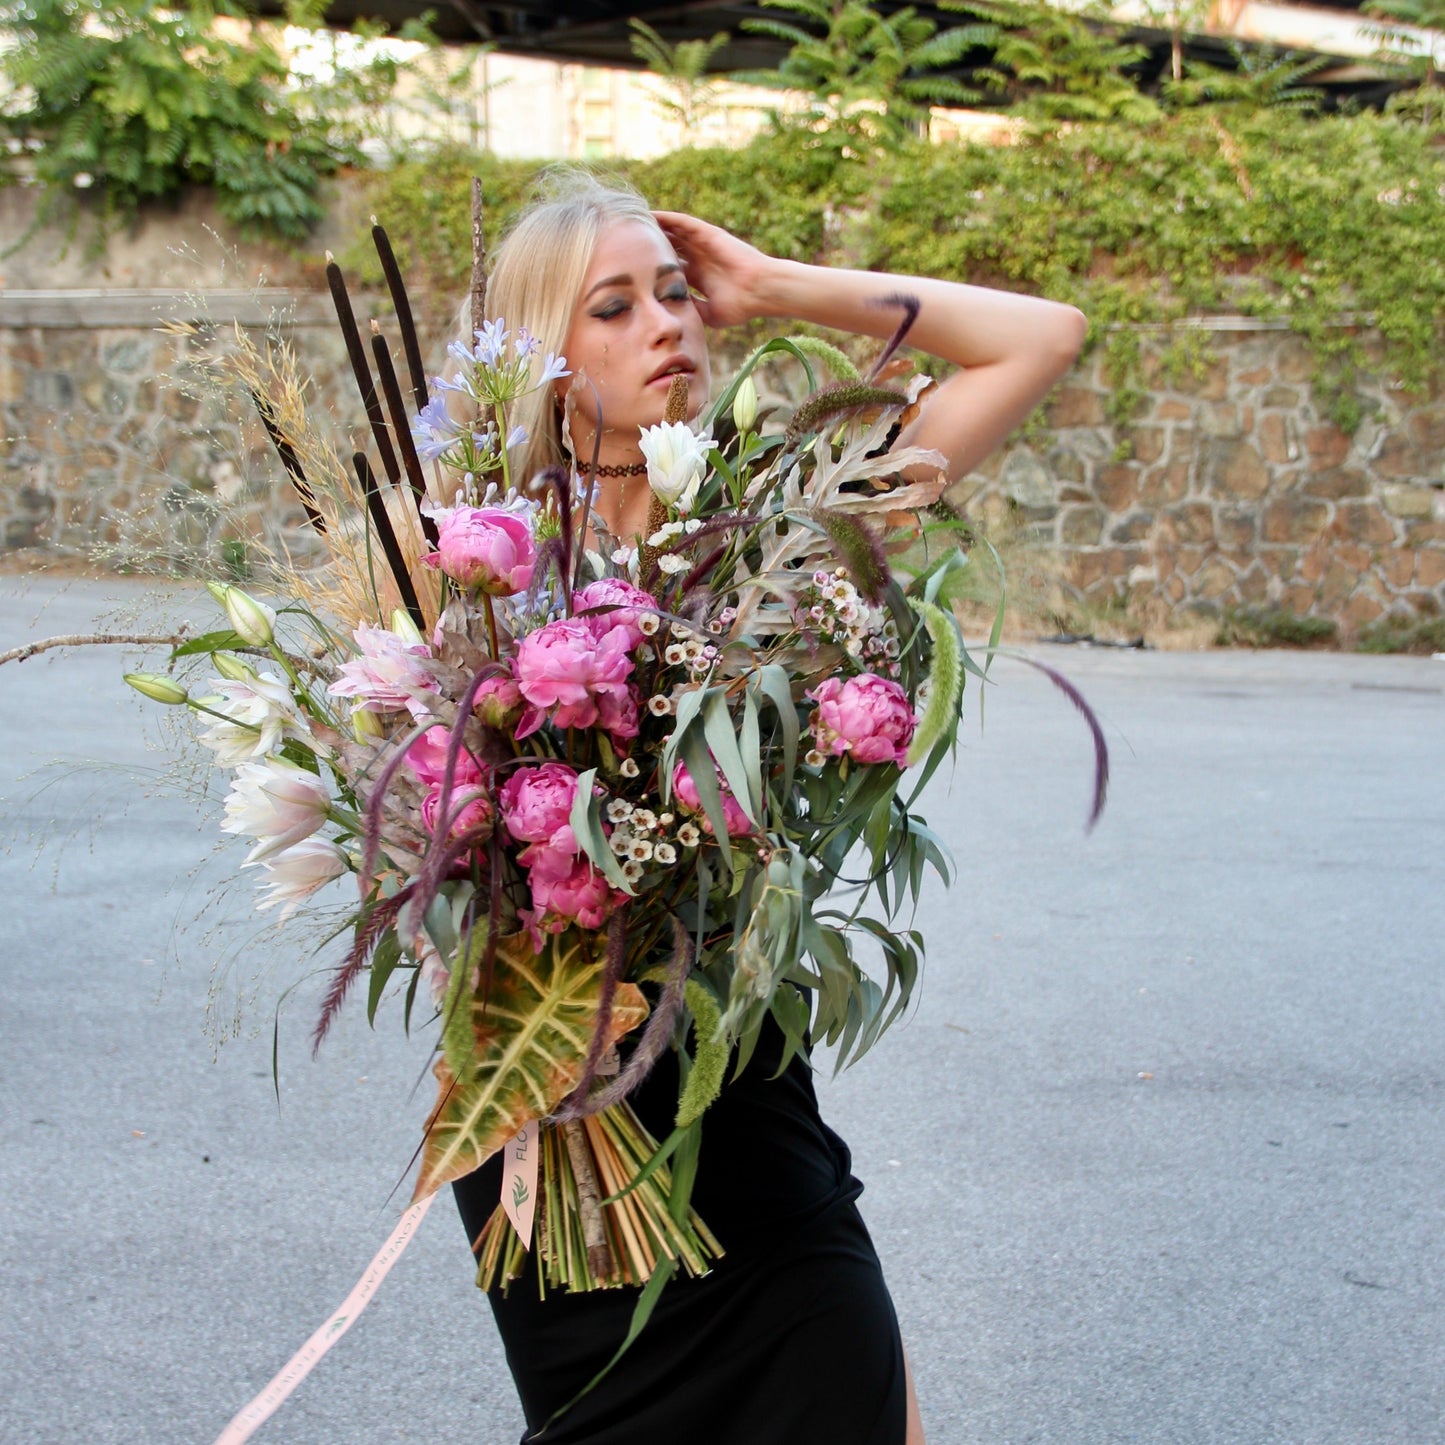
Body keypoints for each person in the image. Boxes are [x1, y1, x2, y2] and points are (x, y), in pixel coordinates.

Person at [451, 172, 1086, 1445]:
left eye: (676, 296)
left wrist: (776, 284)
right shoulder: (471, 560)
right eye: (614, 308)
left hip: (740, 1107)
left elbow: (1040, 335)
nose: (666, 325)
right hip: (560, 1129)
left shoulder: (779, 526)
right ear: (543, 359)